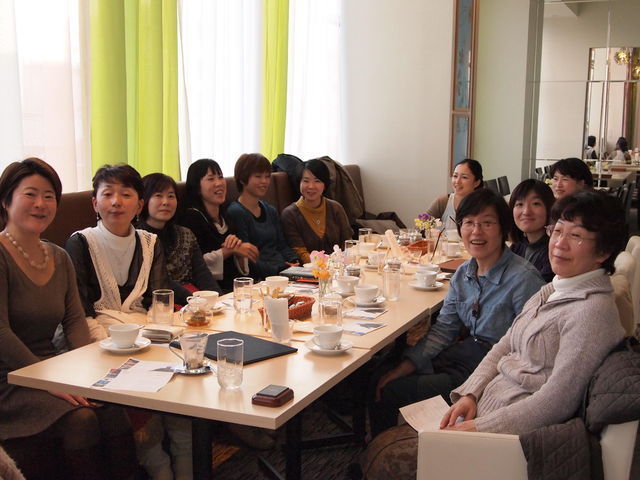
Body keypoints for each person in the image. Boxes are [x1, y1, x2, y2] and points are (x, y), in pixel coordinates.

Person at [361, 191, 627, 480]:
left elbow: (557, 400)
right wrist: (470, 393)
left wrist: (478, 428)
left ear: (603, 251)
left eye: (576, 236)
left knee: (386, 460)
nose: (559, 244)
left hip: (505, 439)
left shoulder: (590, 312)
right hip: (486, 405)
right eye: (558, 231)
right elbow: (505, 344)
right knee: (383, 414)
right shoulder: (553, 289)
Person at [0, 158, 137, 479]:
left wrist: (90, 375)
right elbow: (0, 332)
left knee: (110, 406)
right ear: (6, 201)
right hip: (10, 379)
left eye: (49, 196)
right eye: (30, 194)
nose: (41, 204)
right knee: (81, 419)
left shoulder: (59, 257)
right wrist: (48, 380)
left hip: (52, 367)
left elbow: (75, 322)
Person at [370, 188, 544, 437]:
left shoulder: (523, 280)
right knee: (383, 371)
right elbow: (443, 330)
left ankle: (390, 447)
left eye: (487, 223)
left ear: (503, 228)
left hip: (490, 373)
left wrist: (475, 389)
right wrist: (405, 366)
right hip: (461, 358)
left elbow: (529, 352)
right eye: (469, 223)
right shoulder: (464, 274)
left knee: (393, 389)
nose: (476, 231)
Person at [65, 164, 167, 340]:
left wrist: (151, 338)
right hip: (95, 338)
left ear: (139, 206)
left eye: (126, 195)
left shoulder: (150, 243)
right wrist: (105, 343)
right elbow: (79, 311)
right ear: (95, 204)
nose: (116, 202)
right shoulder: (80, 242)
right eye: (107, 194)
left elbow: (160, 302)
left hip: (144, 336)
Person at [137, 173, 219, 304]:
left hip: (194, 300)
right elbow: (161, 281)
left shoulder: (186, 234)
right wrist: (193, 301)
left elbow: (202, 274)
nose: (166, 202)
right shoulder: (137, 237)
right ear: (143, 200)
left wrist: (217, 299)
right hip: (158, 304)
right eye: (158, 196)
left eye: (171, 196)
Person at [179, 158, 258, 293]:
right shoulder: (191, 218)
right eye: (211, 179)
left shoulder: (227, 214)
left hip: (236, 288)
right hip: (210, 292)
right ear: (197, 186)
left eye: (220, 177)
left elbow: (239, 264)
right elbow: (194, 265)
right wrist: (229, 250)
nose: (219, 183)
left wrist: (239, 252)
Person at [227, 153, 299, 279]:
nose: (264, 181)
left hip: (283, 272)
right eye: (258, 176)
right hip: (263, 277)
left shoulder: (270, 210)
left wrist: (294, 261)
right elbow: (248, 260)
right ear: (242, 179)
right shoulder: (236, 212)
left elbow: (282, 245)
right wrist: (281, 270)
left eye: (267, 176)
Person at [281, 159, 353, 264]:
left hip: (339, 268)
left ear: (325, 185)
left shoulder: (336, 208)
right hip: (309, 270)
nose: (311, 186)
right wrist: (326, 265)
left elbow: (348, 244)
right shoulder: (290, 214)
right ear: (299, 183)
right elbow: (300, 252)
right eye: (306, 181)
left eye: (317, 181)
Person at [509, 179, 555, 282]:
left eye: (536, 203)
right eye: (520, 204)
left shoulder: (554, 252)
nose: (526, 211)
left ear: (549, 209)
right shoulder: (518, 245)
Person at [426, 159, 483, 231]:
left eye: (464, 177)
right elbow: (422, 227)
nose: (457, 181)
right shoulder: (443, 202)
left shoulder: (484, 206)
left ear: (476, 183)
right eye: (455, 176)